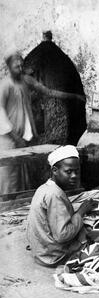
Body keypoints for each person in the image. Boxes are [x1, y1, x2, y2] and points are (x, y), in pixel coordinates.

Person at [0, 48, 85, 196]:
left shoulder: (26, 80)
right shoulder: (5, 86)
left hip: (23, 137)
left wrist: (74, 96)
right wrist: (15, 137)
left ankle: (21, 202)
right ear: (9, 67)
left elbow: (49, 92)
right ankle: (6, 206)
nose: (20, 69)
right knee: (8, 174)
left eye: (21, 66)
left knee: (23, 173)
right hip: (8, 138)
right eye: (16, 67)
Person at [26, 145, 96, 267]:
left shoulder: (44, 188)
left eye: (77, 171)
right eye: (68, 172)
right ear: (54, 170)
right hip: (53, 256)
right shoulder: (55, 195)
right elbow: (62, 235)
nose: (74, 176)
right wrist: (81, 211)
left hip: (41, 251)